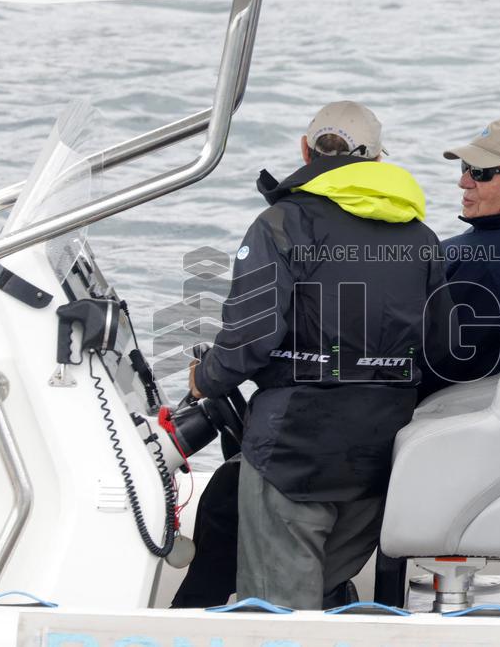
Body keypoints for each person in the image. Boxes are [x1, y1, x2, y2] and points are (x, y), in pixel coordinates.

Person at [187, 101, 451, 609]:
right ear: (376, 161)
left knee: (280, 609)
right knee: (326, 592)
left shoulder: (281, 224)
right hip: (378, 452)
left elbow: (249, 340)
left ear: (306, 151)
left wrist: (205, 379)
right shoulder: (422, 239)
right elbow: (440, 351)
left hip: (292, 450)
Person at [419, 119, 500, 397]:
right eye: (465, 168)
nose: (463, 182)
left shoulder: (478, 264)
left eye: (480, 172)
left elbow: (435, 364)